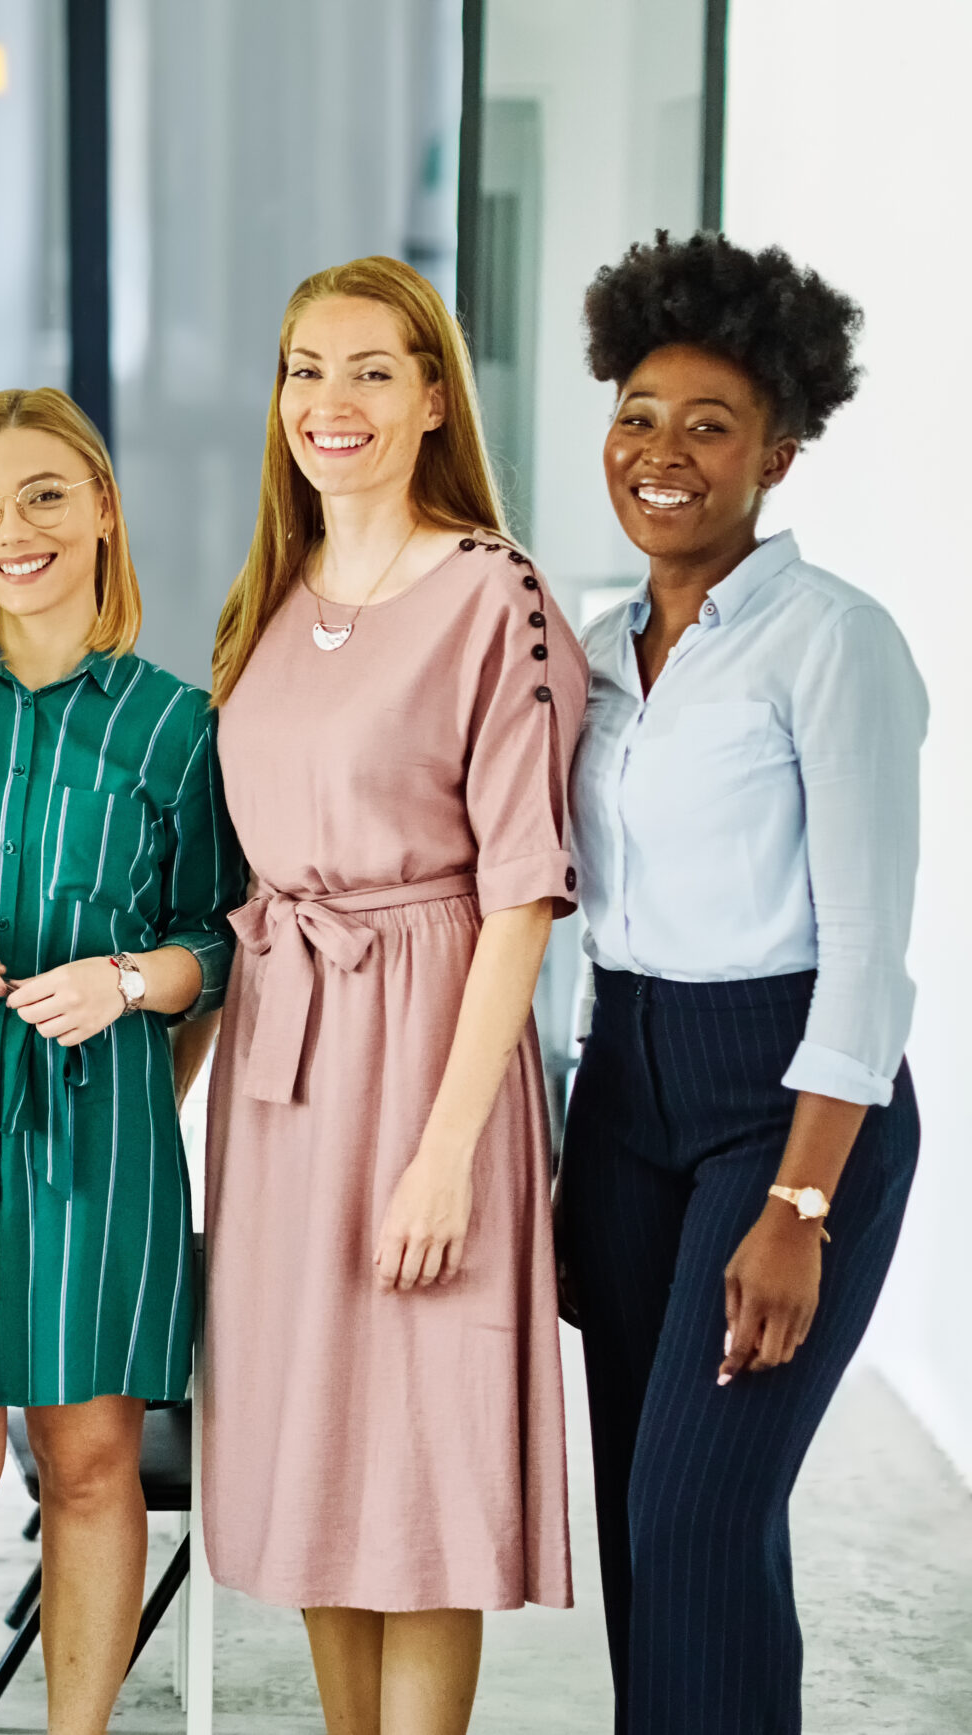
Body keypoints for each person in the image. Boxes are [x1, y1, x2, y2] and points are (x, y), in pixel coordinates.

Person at [201, 255, 578, 1735]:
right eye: (305, 368)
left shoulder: (499, 594)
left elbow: (525, 893)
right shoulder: (268, 598)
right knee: (317, 1457)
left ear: (433, 399)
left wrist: (443, 1151)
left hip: (431, 1056)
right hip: (284, 1076)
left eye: (370, 370)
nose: (331, 401)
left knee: (417, 1470)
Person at [560, 233, 921, 1735]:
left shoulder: (835, 645)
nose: (663, 454)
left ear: (778, 452)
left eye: (710, 426)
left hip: (782, 1112)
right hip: (626, 1097)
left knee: (703, 1522)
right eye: (640, 414)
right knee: (653, 1536)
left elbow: (868, 952)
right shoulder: (594, 652)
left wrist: (799, 1206)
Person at [0, 388, 242, 1735]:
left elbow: (219, 947)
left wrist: (128, 982)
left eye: (43, 497)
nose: (9, 532)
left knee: (88, 1462)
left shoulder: (179, 727)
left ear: (105, 513)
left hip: (101, 1124)